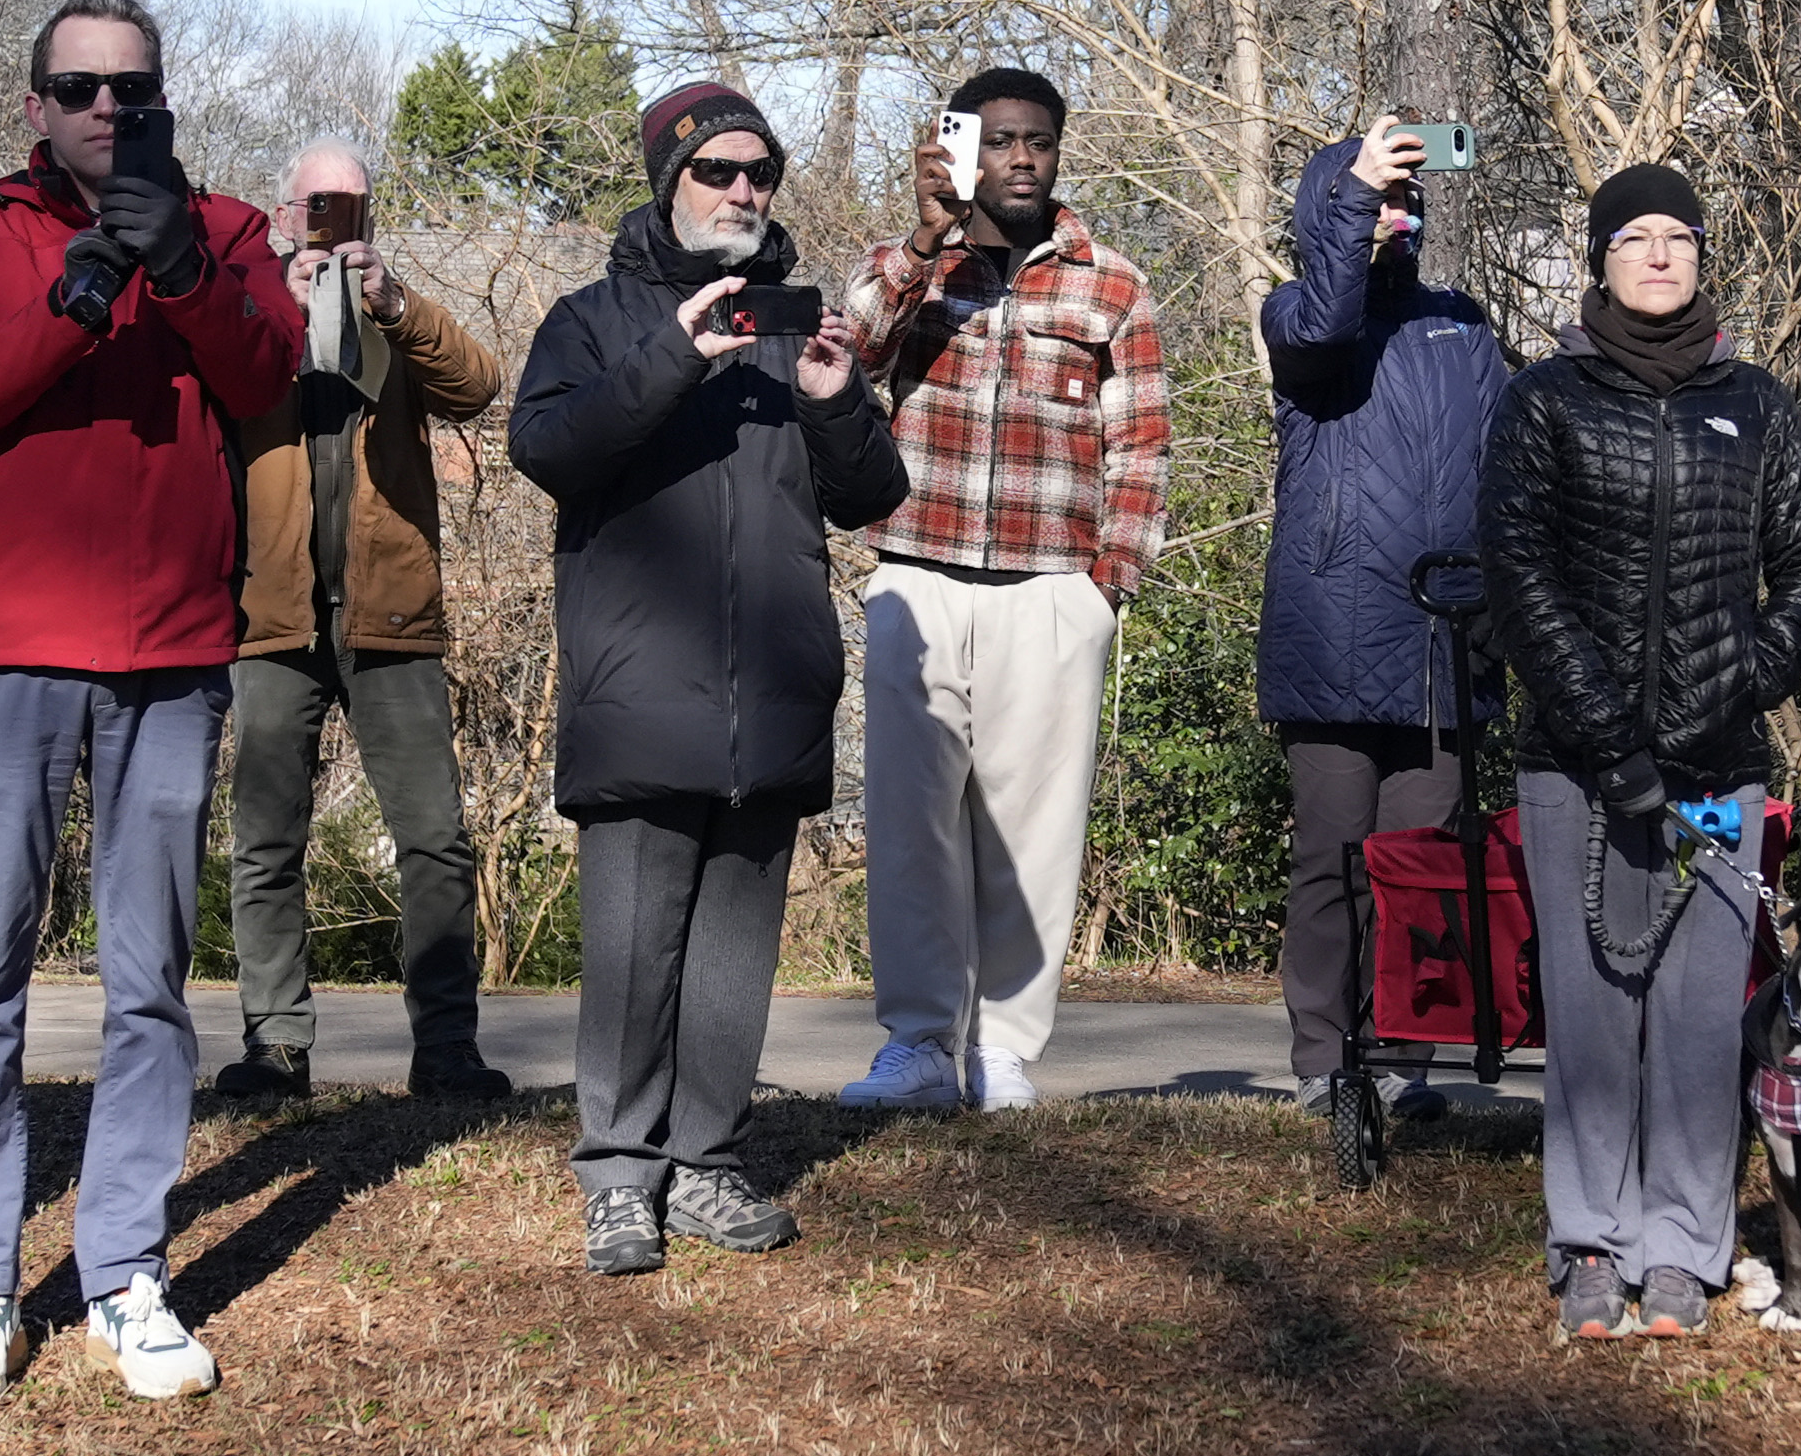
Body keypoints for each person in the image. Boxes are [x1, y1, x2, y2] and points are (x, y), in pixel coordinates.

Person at [0, 0, 302, 1410]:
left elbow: (268, 378)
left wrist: (180, 266)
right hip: (11, 649)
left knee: (150, 990)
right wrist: (74, 298)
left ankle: (125, 1269)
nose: (105, 111)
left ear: (165, 99)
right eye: (78, 88)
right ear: (36, 102)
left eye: (132, 90)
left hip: (175, 650)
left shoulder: (231, 229)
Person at [510, 81, 907, 1274]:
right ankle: (620, 1175)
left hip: (776, 688)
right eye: (717, 171)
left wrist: (836, 403)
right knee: (636, 950)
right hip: (640, 692)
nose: (744, 191)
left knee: (733, 958)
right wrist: (673, 357)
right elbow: (548, 449)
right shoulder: (590, 321)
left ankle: (707, 1164)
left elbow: (872, 496)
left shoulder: (796, 328)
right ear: (665, 180)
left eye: (760, 172)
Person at [1483, 165, 1801, 1340]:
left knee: (1696, 1018)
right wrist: (1604, 733)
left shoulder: (1759, 404)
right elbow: (1516, 576)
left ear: (1699, 255)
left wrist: (1737, 682)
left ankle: (1685, 1249)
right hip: (1573, 766)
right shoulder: (1543, 401)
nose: (1654, 255)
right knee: (1589, 1014)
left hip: (1717, 764)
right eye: (1629, 237)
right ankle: (1590, 1244)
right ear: (1597, 259)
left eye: (1674, 237)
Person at [836, 67, 1170, 1115]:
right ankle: (918, 1042)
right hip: (918, 578)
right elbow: (849, 352)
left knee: (1035, 825)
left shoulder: (1109, 283)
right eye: (1001, 141)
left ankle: (1006, 1049)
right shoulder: (913, 268)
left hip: (1050, 590)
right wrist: (924, 241)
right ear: (963, 149)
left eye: (1039, 141)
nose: (1021, 158)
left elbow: (1144, 447)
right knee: (907, 822)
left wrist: (1105, 588)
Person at [216, 140, 511, 1107]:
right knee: (266, 839)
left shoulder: (397, 307)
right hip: (272, 613)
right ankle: (275, 1047)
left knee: (433, 840)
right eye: (315, 202)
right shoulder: (245, 302)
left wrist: (389, 301)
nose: (329, 216)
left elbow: (477, 386)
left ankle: (448, 1050)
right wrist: (270, 299)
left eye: (349, 203)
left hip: (392, 612)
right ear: (283, 209)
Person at [1256, 116, 1507, 1117]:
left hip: (1445, 639)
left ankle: (1407, 1056)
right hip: (1329, 632)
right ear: (1328, 213)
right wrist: (1352, 193)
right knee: (1331, 857)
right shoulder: (1297, 318)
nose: (1392, 215)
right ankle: (1324, 1059)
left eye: (1405, 201)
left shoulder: (1463, 325)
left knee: (1423, 866)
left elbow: (1508, 465)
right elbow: (1323, 320)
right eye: (1368, 201)